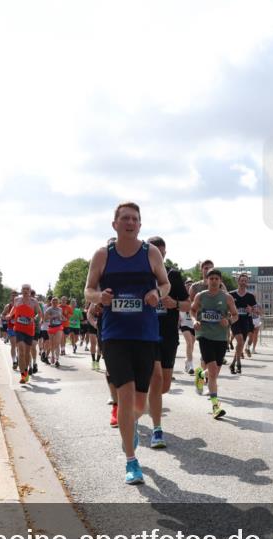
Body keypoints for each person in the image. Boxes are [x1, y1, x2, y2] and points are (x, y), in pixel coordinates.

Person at [84, 202, 171, 485]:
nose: (130, 222)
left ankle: (131, 425)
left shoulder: (151, 252)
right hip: (115, 334)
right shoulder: (103, 255)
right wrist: (100, 298)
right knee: (124, 394)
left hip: (145, 334)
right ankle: (132, 462)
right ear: (115, 224)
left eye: (135, 218)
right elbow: (88, 290)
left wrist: (157, 292)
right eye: (125, 218)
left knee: (139, 402)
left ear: (140, 224)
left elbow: (165, 283)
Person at [145, 236, 191, 447]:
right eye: (155, 251)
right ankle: (157, 429)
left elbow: (188, 305)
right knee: (155, 380)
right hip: (146, 334)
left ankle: (144, 400)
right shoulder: (141, 274)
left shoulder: (173, 275)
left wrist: (175, 303)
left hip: (169, 335)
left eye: (162, 253)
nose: (159, 256)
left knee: (164, 385)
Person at [191, 269, 238, 419]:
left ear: (220, 281)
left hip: (220, 337)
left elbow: (236, 315)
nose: (214, 281)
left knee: (214, 374)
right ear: (207, 280)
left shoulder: (227, 298)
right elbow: (192, 310)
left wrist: (229, 321)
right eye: (211, 278)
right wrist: (195, 321)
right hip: (204, 335)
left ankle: (200, 373)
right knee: (212, 371)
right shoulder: (201, 296)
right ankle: (215, 405)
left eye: (216, 278)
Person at [229, 273, 258, 374]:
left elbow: (257, 310)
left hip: (246, 321)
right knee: (240, 341)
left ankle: (232, 364)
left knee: (240, 344)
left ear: (247, 283)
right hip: (235, 320)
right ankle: (239, 364)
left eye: (245, 281)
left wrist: (252, 309)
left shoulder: (250, 296)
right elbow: (225, 307)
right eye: (242, 280)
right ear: (238, 281)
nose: (243, 282)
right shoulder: (231, 294)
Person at [11, 284, 39, 384]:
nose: (26, 291)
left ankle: (26, 371)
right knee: (21, 351)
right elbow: (14, 309)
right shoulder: (17, 300)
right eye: (24, 289)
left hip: (29, 329)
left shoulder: (34, 301)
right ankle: (23, 376)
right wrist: (10, 315)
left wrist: (34, 319)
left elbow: (38, 313)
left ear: (30, 291)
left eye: (27, 289)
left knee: (27, 353)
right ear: (21, 290)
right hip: (18, 328)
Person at [180, 278, 196, 374]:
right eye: (187, 284)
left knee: (192, 344)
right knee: (189, 342)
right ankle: (190, 365)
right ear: (184, 285)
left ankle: (187, 360)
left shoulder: (196, 297)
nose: (189, 285)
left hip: (193, 323)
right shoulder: (181, 296)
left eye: (191, 284)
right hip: (184, 323)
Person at [44, 296, 65, 367]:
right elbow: (45, 318)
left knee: (57, 343)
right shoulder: (49, 309)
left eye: (56, 301)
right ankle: (52, 355)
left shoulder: (60, 309)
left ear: (58, 302)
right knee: (51, 344)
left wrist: (62, 318)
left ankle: (57, 360)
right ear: (51, 302)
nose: (55, 303)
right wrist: (52, 317)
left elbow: (62, 317)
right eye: (53, 301)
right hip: (51, 328)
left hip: (58, 327)